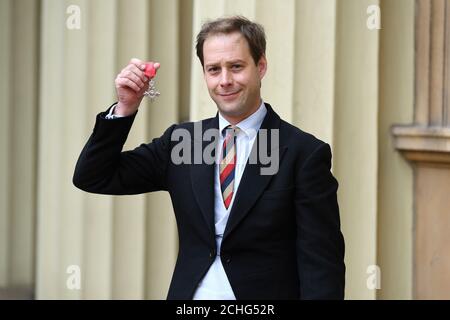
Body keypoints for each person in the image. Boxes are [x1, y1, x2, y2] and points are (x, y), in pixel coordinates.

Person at [73, 16, 345, 300]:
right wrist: (125, 107)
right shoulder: (183, 142)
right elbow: (93, 176)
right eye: (214, 69)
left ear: (260, 66)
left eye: (236, 67)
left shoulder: (303, 153)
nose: (225, 80)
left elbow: (321, 265)